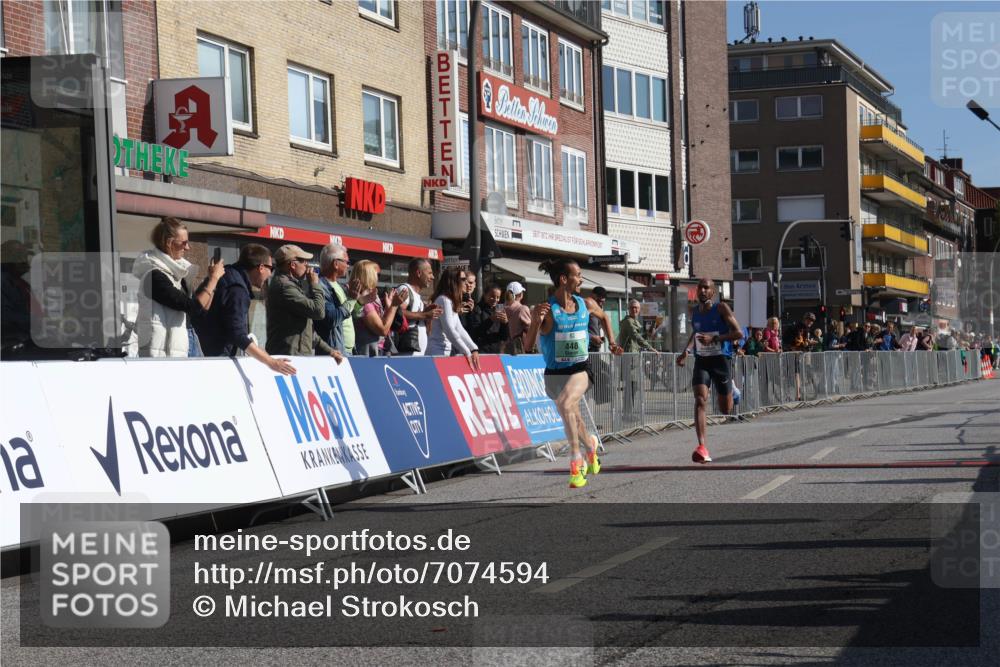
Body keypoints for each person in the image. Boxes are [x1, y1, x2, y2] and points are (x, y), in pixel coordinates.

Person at [526, 258, 623, 488]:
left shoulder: (586, 303)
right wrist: (535, 321)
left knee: (565, 403)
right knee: (574, 417)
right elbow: (528, 346)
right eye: (578, 275)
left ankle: (576, 462)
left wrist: (612, 342)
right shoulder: (547, 310)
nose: (581, 279)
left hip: (581, 369)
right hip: (554, 374)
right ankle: (591, 447)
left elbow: (605, 317)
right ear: (564, 279)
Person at [129, 217, 224, 357]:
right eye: (184, 243)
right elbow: (192, 306)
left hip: (185, 341)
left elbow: (201, 309)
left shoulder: (177, 274)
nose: (188, 247)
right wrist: (214, 279)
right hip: (163, 353)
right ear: (169, 243)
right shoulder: (154, 276)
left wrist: (211, 280)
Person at [195, 243, 296, 375]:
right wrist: (271, 362)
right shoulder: (238, 289)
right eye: (271, 268)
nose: (270, 274)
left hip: (203, 352)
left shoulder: (226, 274)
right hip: (215, 357)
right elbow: (237, 334)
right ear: (261, 267)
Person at [676, 278, 743, 464]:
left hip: (721, 360)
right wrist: (686, 351)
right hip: (702, 361)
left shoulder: (721, 308)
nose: (702, 290)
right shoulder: (695, 311)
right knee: (700, 400)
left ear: (713, 292)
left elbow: (738, 333)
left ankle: (733, 391)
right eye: (700, 287)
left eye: (706, 288)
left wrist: (715, 339)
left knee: (726, 409)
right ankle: (702, 447)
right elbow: (696, 333)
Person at [265, 244, 342, 361]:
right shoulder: (285, 287)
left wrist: (330, 351)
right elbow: (319, 312)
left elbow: (306, 328)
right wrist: (315, 284)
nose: (307, 265)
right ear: (292, 264)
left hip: (296, 355)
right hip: (288, 357)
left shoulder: (292, 285)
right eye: (303, 261)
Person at [315, 242, 373, 355]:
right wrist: (351, 299)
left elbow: (348, 313)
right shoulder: (320, 287)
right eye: (346, 262)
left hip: (347, 350)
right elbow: (332, 318)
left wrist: (360, 302)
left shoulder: (339, 286)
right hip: (335, 352)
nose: (348, 266)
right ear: (336, 264)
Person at [349, 260, 409, 357]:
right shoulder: (364, 301)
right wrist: (394, 305)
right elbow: (382, 330)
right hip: (369, 355)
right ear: (369, 276)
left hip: (378, 351)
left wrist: (389, 307)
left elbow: (384, 323)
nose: (378, 277)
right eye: (377, 274)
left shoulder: (372, 298)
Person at [426, 267, 480, 368]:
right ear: (454, 281)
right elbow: (449, 329)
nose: (466, 283)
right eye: (463, 279)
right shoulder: (444, 300)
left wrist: (473, 348)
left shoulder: (450, 301)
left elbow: (459, 329)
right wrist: (467, 351)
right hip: (437, 352)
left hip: (444, 352)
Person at [1, 240, 40, 356]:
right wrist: (40, 322)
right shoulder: (3, 281)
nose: (24, 260)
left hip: (31, 340)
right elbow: (6, 316)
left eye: (24, 256)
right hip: (13, 346)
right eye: (18, 256)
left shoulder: (21, 283)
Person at [396, 258, 441, 355]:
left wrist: (428, 316)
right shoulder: (404, 289)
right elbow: (397, 312)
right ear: (419, 273)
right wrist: (424, 315)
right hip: (407, 354)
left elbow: (427, 330)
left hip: (418, 354)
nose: (433, 277)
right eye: (430, 273)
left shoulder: (418, 297)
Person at [464, 283, 509, 354]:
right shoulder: (477, 309)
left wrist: (505, 323)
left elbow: (504, 337)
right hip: (481, 351)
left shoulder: (499, 310)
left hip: (496, 352)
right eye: (492, 296)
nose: (495, 300)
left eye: (498, 297)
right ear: (485, 295)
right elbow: (474, 333)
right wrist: (490, 320)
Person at [504, 281, 532, 354]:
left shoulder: (503, 309)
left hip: (505, 348)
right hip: (520, 348)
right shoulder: (522, 308)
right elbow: (530, 329)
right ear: (520, 294)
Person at [586, 286, 609, 352]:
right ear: (593, 296)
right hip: (586, 347)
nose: (600, 304)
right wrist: (591, 337)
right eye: (598, 301)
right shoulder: (585, 308)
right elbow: (578, 329)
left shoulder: (600, 310)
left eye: (603, 302)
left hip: (596, 347)